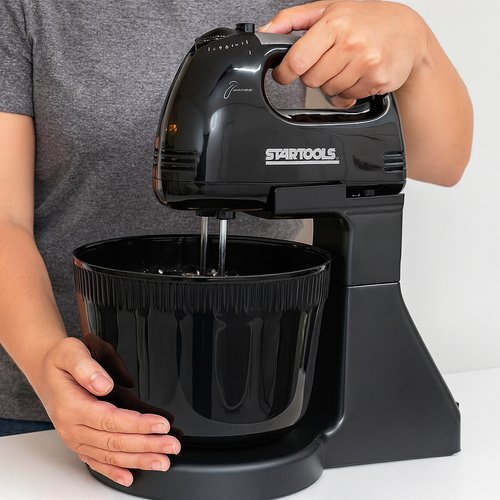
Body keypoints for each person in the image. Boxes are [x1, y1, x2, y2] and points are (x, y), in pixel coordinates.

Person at [0, 0, 473, 489]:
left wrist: (414, 41)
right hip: (50, 419)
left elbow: (441, 160)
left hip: (280, 404)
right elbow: (3, 220)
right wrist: (45, 360)